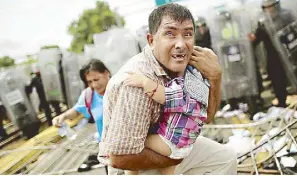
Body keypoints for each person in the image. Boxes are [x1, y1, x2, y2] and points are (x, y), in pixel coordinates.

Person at [98, 3, 237, 175]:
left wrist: (215, 77)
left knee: (225, 158)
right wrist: (175, 157)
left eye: (187, 34)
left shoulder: (191, 64)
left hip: (173, 141)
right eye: (170, 34)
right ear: (151, 41)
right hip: (132, 161)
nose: (180, 44)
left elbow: (206, 116)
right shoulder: (135, 83)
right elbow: (119, 158)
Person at [123, 65, 209, 175]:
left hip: (170, 143)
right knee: (167, 170)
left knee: (132, 143)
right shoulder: (201, 86)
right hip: (184, 145)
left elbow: (166, 96)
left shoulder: (183, 87)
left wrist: (143, 81)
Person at [249, 0, 297, 107]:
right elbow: (257, 37)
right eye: (267, 8)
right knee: (277, 78)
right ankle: (282, 101)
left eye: (271, 7)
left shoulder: (286, 15)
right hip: (274, 55)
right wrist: (252, 39)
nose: (270, 10)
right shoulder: (263, 22)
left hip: (291, 52)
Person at [52, 59, 111, 142]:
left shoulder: (122, 91)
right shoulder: (89, 95)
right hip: (107, 147)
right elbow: (77, 110)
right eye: (89, 82)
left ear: (106, 73)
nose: (94, 85)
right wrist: (63, 116)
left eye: (96, 79)